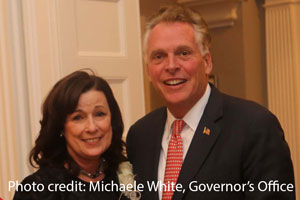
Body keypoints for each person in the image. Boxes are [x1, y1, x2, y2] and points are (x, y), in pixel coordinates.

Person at [126, 4, 295, 200]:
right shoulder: (140, 136)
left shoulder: (255, 127)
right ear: (148, 71)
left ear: (206, 62)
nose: (171, 66)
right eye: (159, 56)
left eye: (183, 53)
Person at [14, 70, 137, 200]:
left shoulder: (126, 174)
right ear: (61, 127)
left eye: (100, 114)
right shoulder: (38, 190)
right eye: (78, 117)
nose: (92, 127)